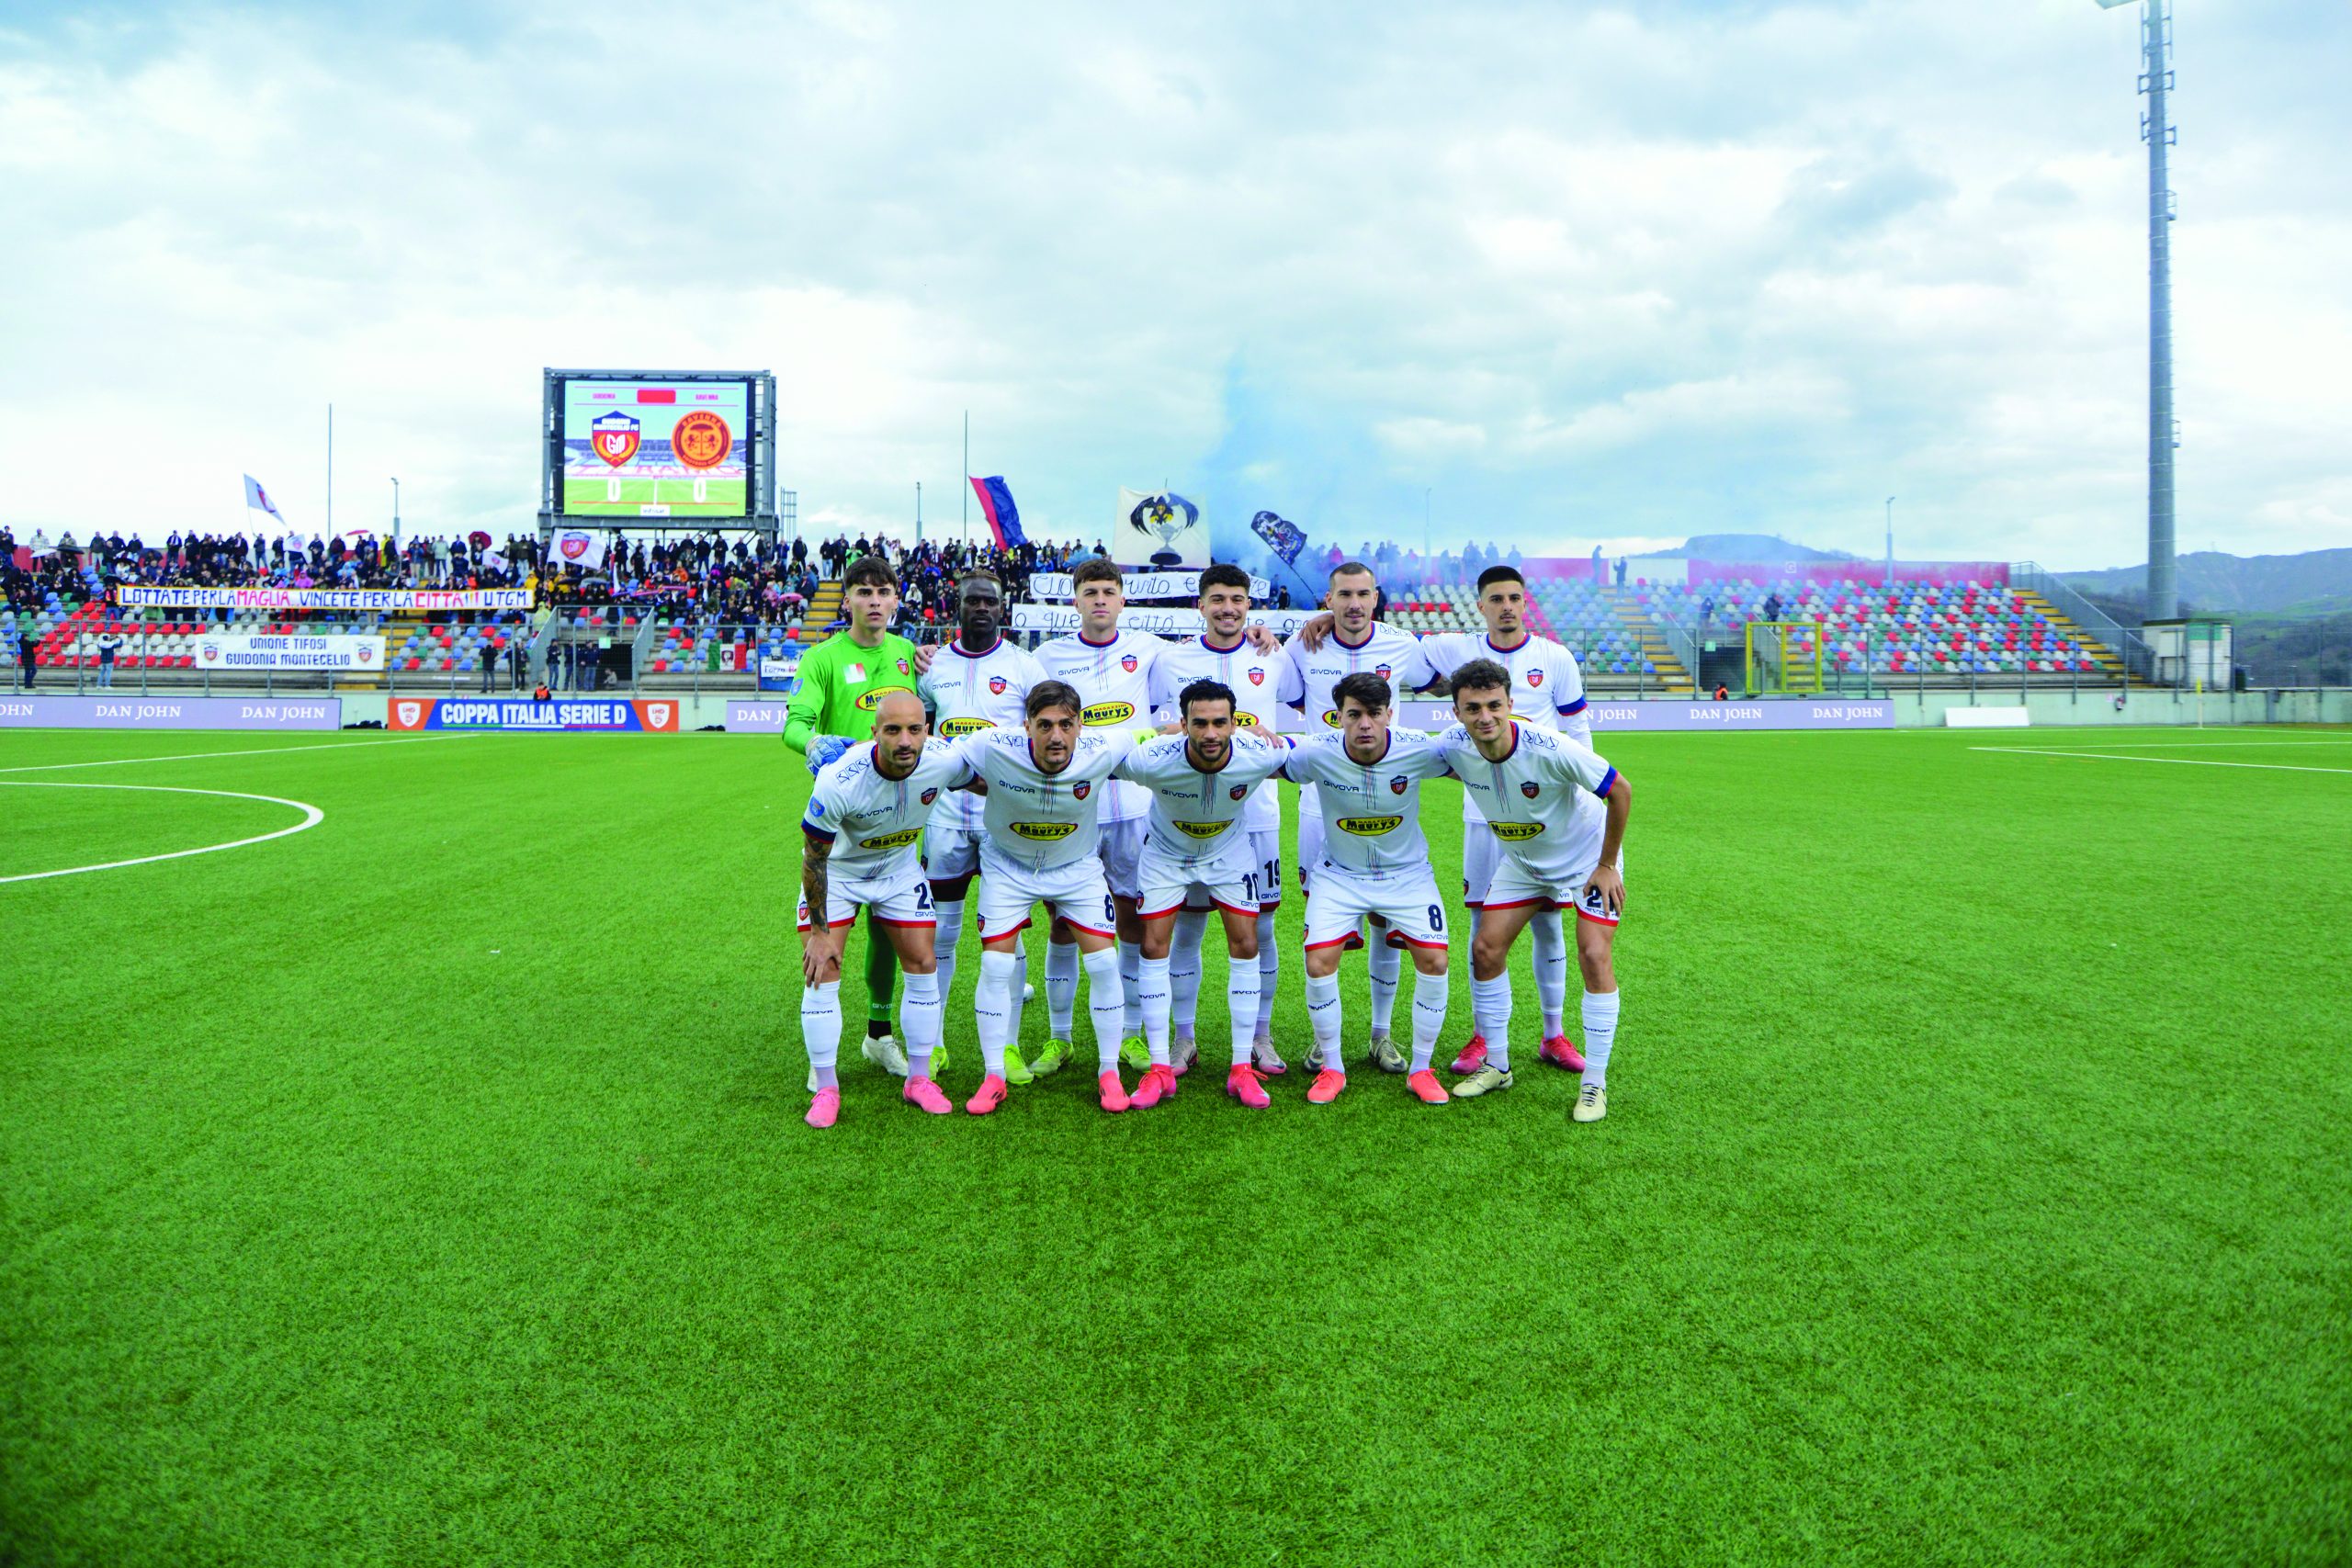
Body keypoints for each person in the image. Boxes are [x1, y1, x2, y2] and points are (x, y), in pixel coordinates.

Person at [1026, 558, 1280, 1077]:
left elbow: (1216, 649)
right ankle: (1058, 1038)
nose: (1100, 600)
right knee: (1061, 923)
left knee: (1134, 923)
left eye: (1109, 592)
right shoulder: (1047, 656)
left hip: (1137, 808)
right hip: (1074, 805)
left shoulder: (1153, 651)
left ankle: (1133, 1035)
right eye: (1090, 592)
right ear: (1074, 599)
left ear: (1123, 600)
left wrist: (1260, 630)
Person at [1407, 566, 1591, 1077]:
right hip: (1484, 814)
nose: (1507, 606)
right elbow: (1395, 645)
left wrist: (1575, 797)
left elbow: (1577, 727)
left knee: (1549, 925)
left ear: (1524, 602)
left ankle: (1554, 1034)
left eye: (1515, 597)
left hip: (1546, 816)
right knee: (1481, 927)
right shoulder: (1455, 648)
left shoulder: (1554, 657)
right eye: (1496, 599)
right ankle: (1484, 1036)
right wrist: (1317, 622)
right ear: (1481, 606)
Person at [1432, 661, 1630, 1119]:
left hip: (1586, 861)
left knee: (1595, 956)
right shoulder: (1453, 745)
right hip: (1523, 862)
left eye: (1495, 706)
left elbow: (1620, 789)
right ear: (1457, 712)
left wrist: (1605, 864)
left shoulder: (1550, 747)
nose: (1485, 717)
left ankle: (1595, 1085)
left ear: (1511, 704)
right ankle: (1498, 1064)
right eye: (1473, 708)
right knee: (1485, 949)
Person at [942, 681, 1139, 1115]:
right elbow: (939, 754)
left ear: (1080, 725)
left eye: (1066, 725)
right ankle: (994, 1075)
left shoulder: (1105, 746)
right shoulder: (992, 744)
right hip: (1008, 867)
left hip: (1077, 869)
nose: (1055, 736)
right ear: (1026, 725)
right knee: (995, 965)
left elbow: (1157, 737)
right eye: (1045, 725)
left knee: (1105, 962)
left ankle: (1109, 1072)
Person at [1144, 563, 1303, 1077]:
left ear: (1249, 605)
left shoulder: (1274, 656)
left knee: (1263, 928)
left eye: (1237, 599)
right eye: (1218, 600)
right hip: (1191, 816)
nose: (1228, 609)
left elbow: (1307, 703)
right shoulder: (1171, 660)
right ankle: (1183, 1038)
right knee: (1186, 930)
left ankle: (1260, 1035)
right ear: (1201, 606)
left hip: (1257, 817)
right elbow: (1152, 722)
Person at [1283, 560, 1439, 1070]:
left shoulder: (1403, 645)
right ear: (1328, 599)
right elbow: (1268, 689)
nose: (1353, 604)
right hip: (1321, 807)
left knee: (1385, 922)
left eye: (1362, 594)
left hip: (1388, 799)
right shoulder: (1303, 644)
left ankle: (1381, 1033)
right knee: (1325, 930)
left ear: (1377, 598)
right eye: (1343, 594)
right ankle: (1322, 1039)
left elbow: (1447, 681)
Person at [1276, 672, 1456, 1105]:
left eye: (1374, 714)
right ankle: (1333, 1068)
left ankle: (1421, 1068)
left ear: (1389, 715)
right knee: (1319, 961)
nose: (1364, 725)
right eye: (1354, 715)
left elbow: (1478, 757)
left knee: (1434, 960)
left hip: (1408, 875)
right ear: (1338, 717)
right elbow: (1265, 762)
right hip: (1339, 874)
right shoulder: (1316, 752)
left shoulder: (1420, 747)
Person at [1116, 679, 1291, 1110]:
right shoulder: (1151, 760)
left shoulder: (1260, 755)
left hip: (1229, 852)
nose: (1210, 733)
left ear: (1235, 724)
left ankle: (1240, 1069)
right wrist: (1145, 734)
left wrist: (1277, 735)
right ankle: (1160, 1067)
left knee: (1247, 943)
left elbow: (1311, 752)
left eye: (1219, 723)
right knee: (1154, 946)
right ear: (1183, 724)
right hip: (1165, 855)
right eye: (1200, 723)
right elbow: (1102, 758)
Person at [786, 555, 926, 1078]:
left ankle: (879, 1034)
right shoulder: (821, 659)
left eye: (882, 591)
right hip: (843, 815)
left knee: (892, 929)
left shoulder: (909, 653)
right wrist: (814, 742)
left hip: (900, 810)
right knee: (827, 932)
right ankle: (821, 1057)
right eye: (863, 592)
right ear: (846, 600)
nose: (873, 601)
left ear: (895, 599)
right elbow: (793, 725)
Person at [797, 692, 960, 1128]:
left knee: (924, 962)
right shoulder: (839, 780)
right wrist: (818, 932)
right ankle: (827, 1087)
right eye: (892, 730)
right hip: (840, 873)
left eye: (914, 729)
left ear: (927, 730)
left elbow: (987, 770)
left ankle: (920, 1080)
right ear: (874, 734)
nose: (905, 740)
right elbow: (814, 859)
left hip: (899, 870)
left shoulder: (944, 760)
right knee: (823, 968)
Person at [917, 570, 1045, 1081]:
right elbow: (921, 734)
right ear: (958, 606)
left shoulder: (1023, 665)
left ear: (1002, 608)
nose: (982, 609)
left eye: (990, 601)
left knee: (1007, 939)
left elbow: (1044, 735)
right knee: (941, 935)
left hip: (1002, 821)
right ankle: (936, 1042)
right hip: (946, 819)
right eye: (973, 601)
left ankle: (1009, 1047)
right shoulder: (931, 666)